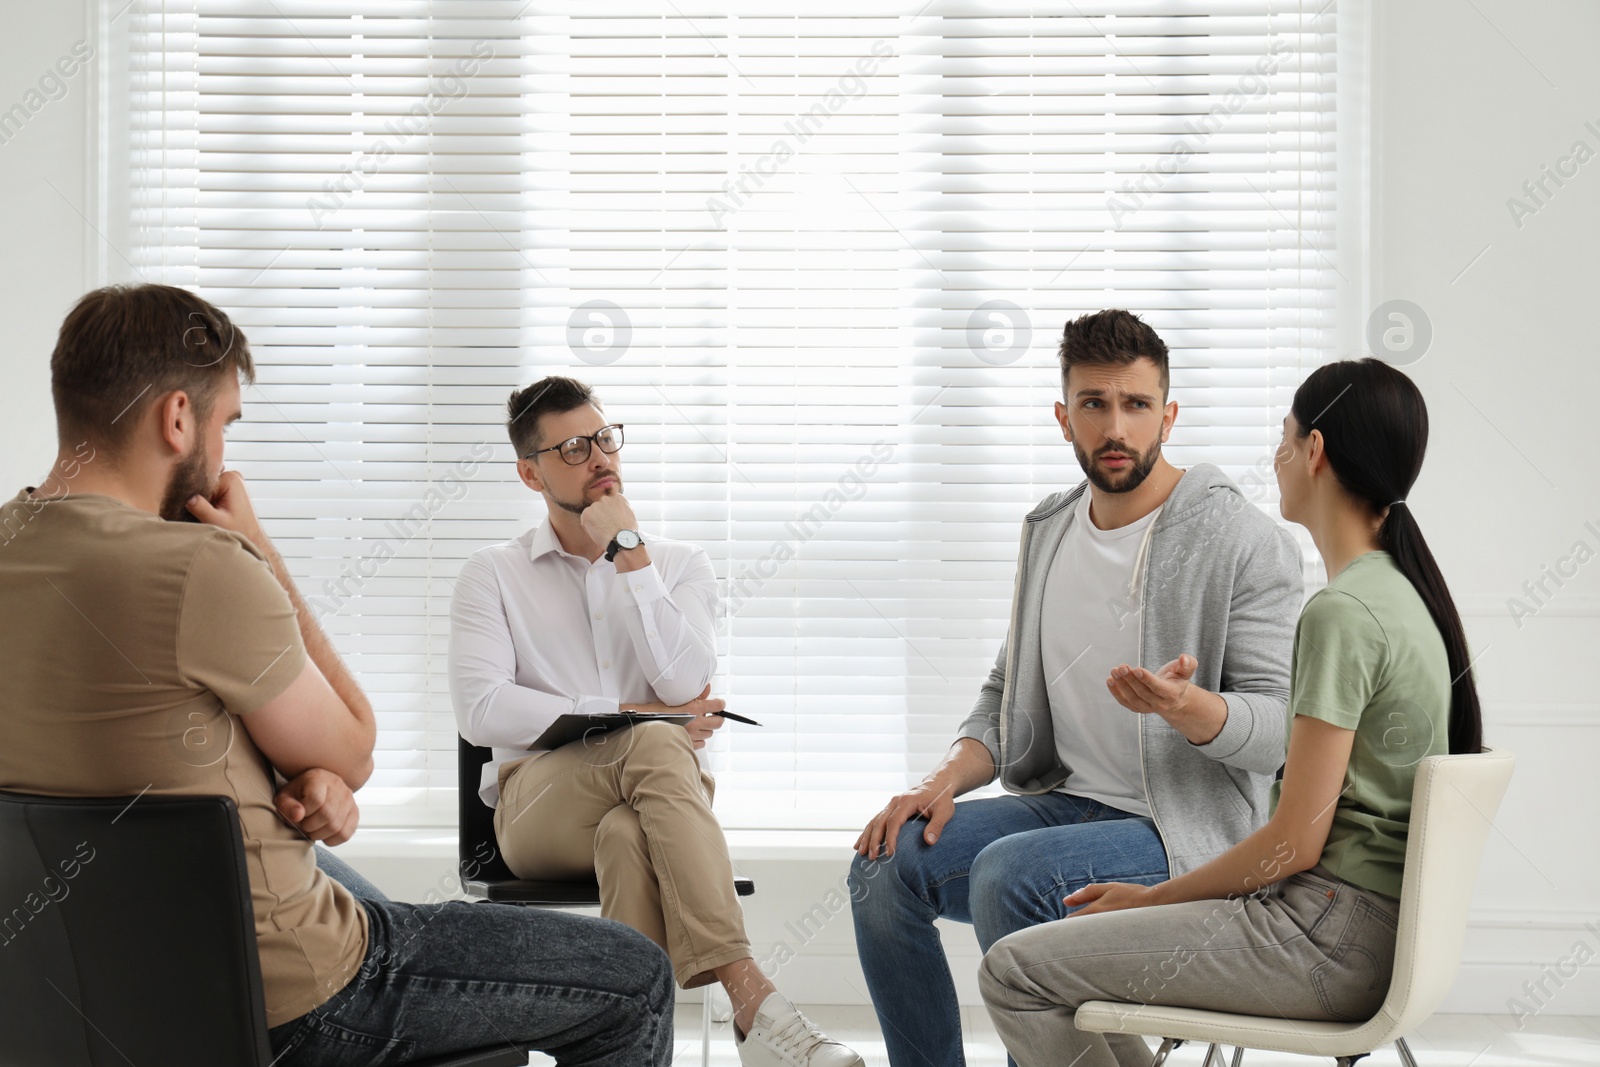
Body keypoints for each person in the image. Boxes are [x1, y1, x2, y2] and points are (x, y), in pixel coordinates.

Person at [0, 284, 676, 1067]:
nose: (222, 456)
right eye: (225, 425)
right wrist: (256, 548)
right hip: (297, 995)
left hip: (92, 981)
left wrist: (299, 781)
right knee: (635, 973)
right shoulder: (200, 568)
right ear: (177, 417)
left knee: (374, 897)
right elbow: (355, 748)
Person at [978, 357, 1483, 1067]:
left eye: (1284, 436)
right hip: (1365, 931)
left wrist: (1154, 899)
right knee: (1049, 964)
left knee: (1015, 970)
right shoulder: (1404, 593)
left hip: (1324, 938)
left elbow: (1293, 844)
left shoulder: (1343, 613)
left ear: (1314, 451)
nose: (1275, 458)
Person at [849, 309, 1305, 1067]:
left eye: (1135, 404)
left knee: (1008, 877)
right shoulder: (1050, 529)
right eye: (1094, 403)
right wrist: (940, 782)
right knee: (882, 861)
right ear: (1064, 417)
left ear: (1170, 413)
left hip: (1184, 829)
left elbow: (1283, 725)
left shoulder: (1245, 541)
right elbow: (1005, 688)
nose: (1115, 426)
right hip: (1070, 803)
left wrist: (1193, 710)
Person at [449, 375, 864, 1067]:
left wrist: (632, 556)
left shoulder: (676, 563)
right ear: (531, 472)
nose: (600, 457)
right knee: (649, 740)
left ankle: (630, 1054)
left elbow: (682, 679)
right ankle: (754, 1002)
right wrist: (632, 716)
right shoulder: (491, 573)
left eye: (604, 437)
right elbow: (481, 707)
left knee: (627, 832)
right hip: (537, 807)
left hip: (653, 803)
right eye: (575, 447)